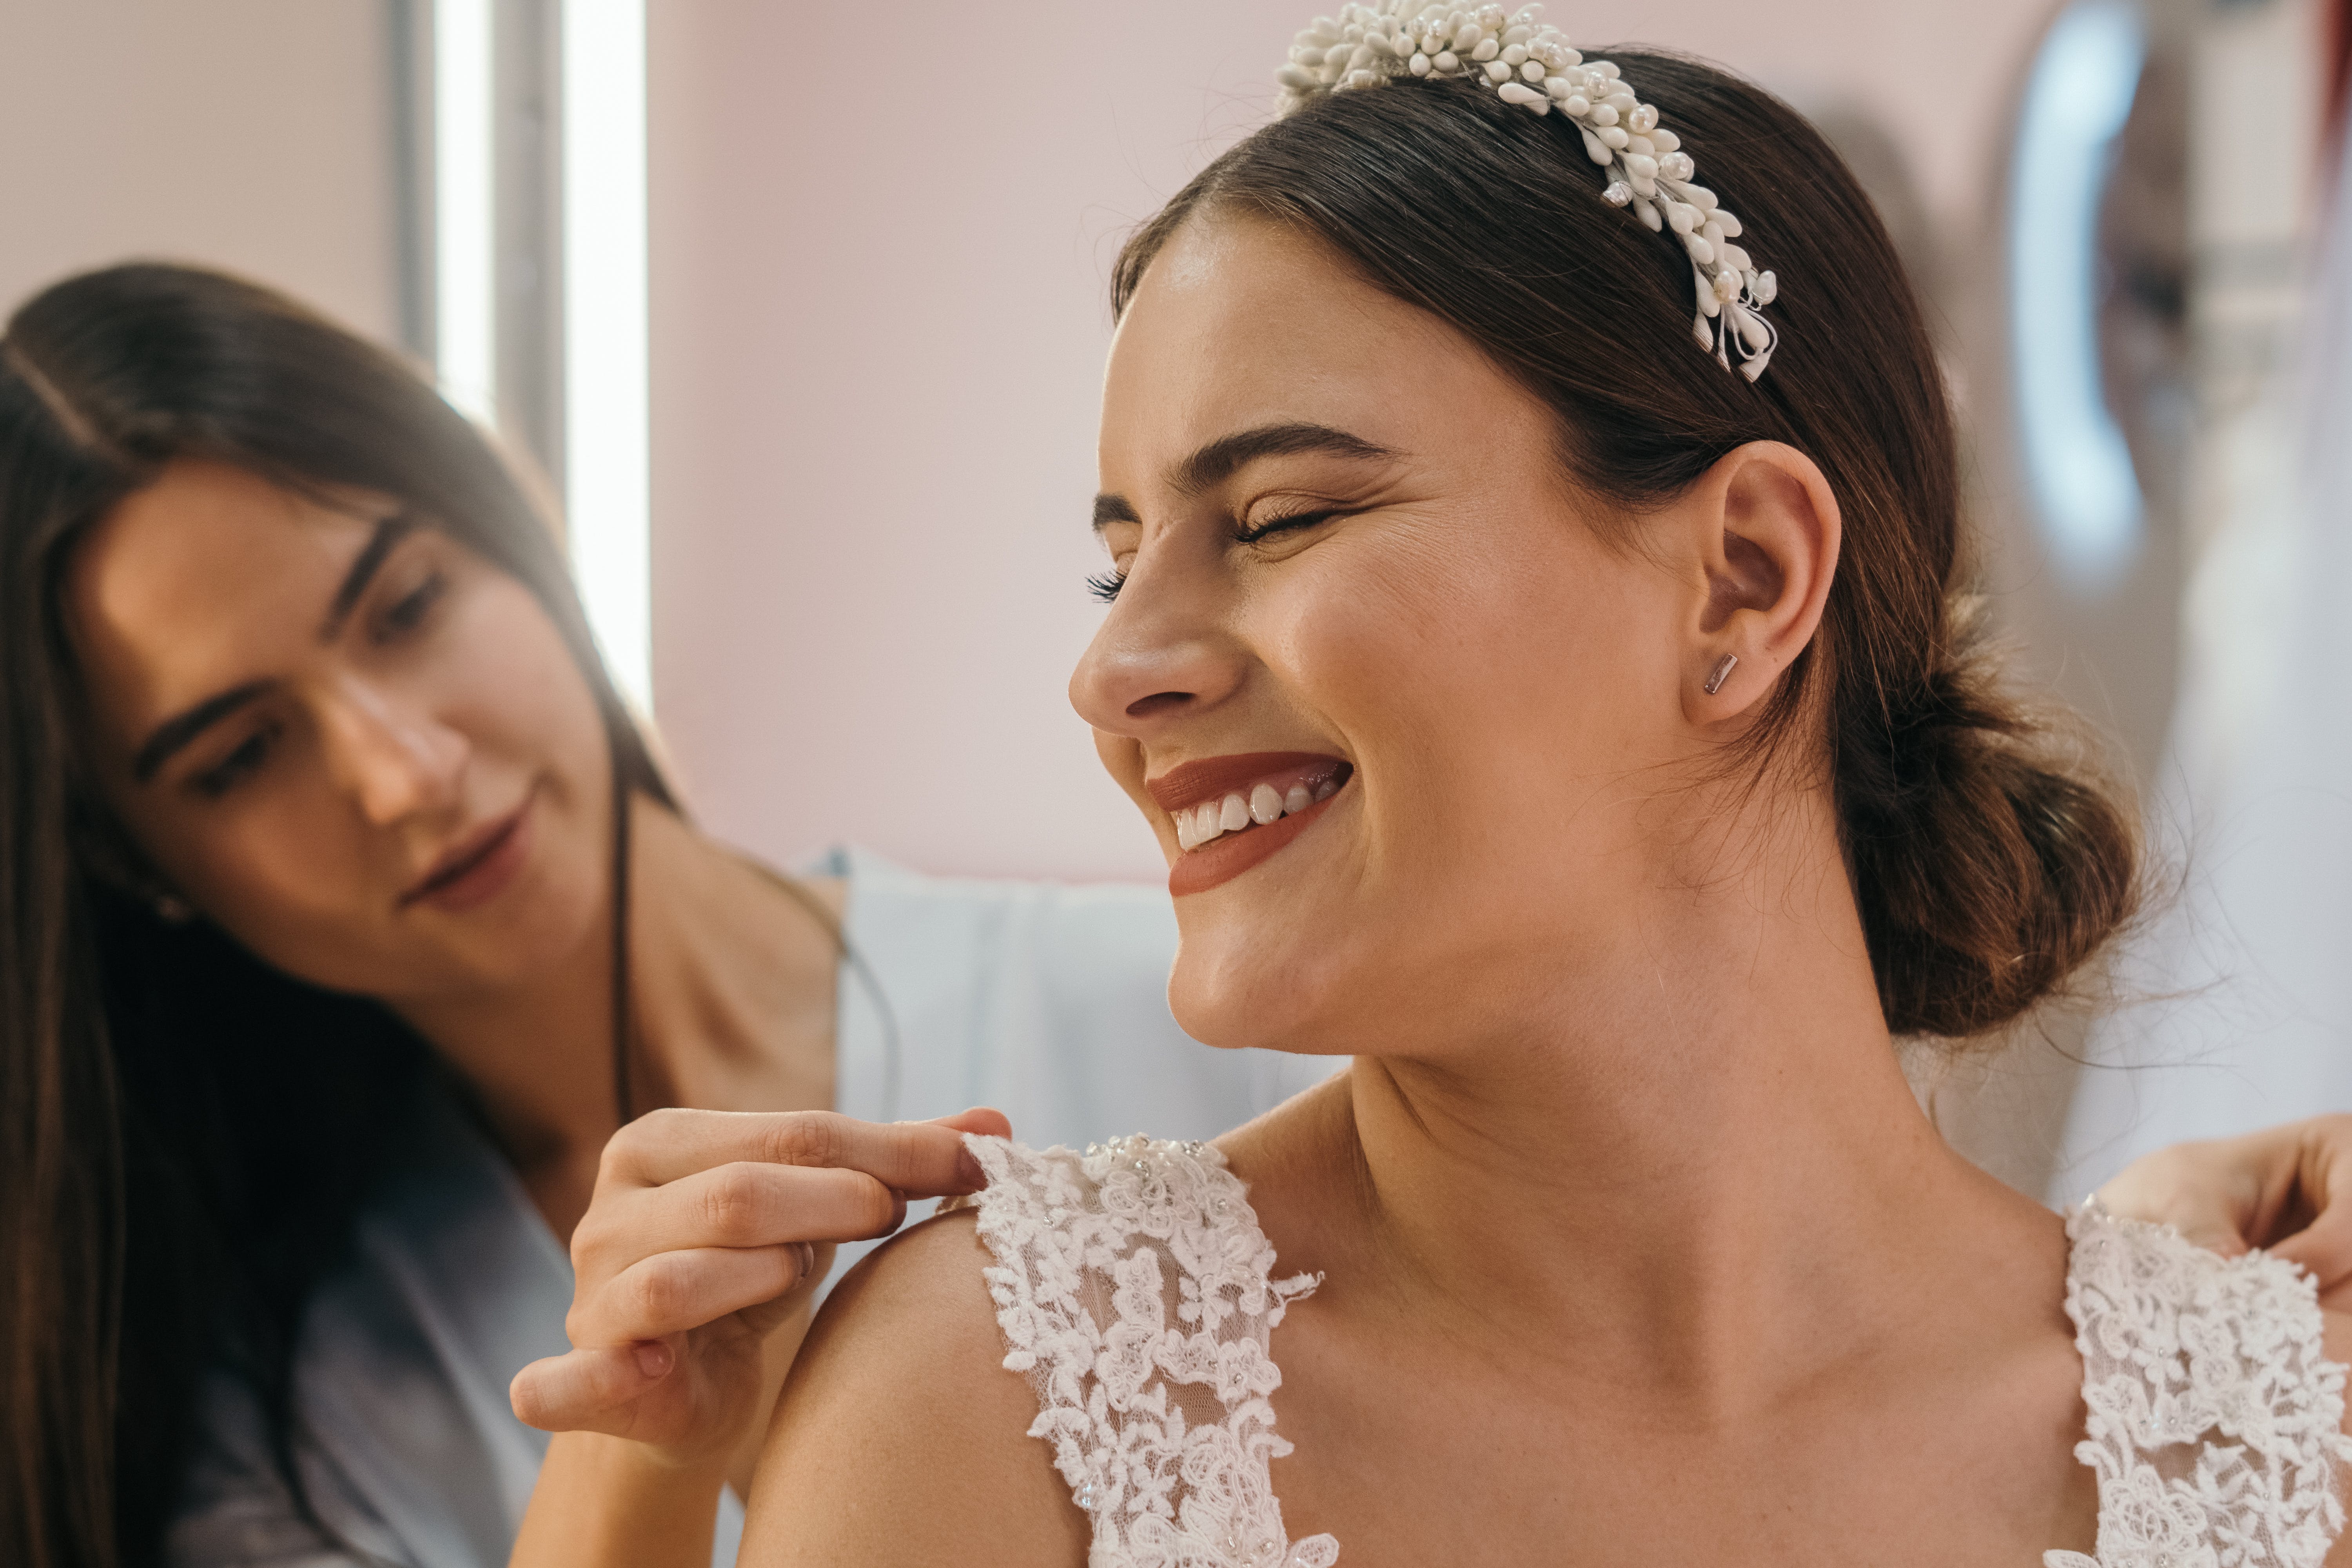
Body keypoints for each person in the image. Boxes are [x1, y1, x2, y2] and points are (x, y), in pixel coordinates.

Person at [678, 18, 2350, 1563]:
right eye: (1115, 569)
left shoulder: (2269, 1451)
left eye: (1276, 521)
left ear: (1747, 580)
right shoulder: (999, 1406)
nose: (1117, 675)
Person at [0, 263, 1331, 1568]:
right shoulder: (302, 1430)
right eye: (241, 756)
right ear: (135, 862)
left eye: (407, 607)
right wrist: (632, 1453)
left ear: (521, 522)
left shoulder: (1210, 1011)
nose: (406, 772)